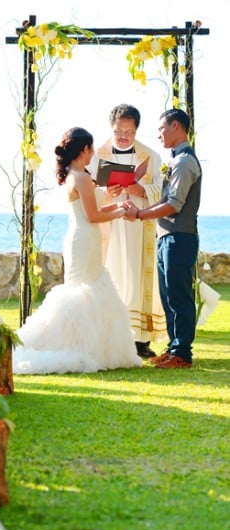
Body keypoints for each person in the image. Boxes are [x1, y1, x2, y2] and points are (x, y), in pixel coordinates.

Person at [13, 127, 143, 374]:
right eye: (91, 148)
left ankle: (96, 349)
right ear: (85, 150)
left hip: (83, 236)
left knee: (91, 286)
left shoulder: (79, 176)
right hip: (84, 238)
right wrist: (122, 212)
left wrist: (115, 204)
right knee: (81, 289)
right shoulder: (81, 177)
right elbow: (93, 216)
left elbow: (92, 212)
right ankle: (71, 346)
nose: (93, 153)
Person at [123, 108, 202, 369]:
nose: (158, 135)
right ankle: (173, 348)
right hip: (167, 236)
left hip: (180, 237)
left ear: (176, 126)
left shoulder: (185, 162)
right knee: (168, 295)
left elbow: (174, 204)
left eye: (161, 129)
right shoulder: (176, 160)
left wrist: (139, 214)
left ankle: (182, 353)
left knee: (179, 295)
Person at [89, 104, 166, 358]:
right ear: (111, 128)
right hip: (107, 227)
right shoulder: (95, 157)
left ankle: (140, 341)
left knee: (135, 277)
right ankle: (106, 337)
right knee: (108, 275)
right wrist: (105, 193)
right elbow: (84, 193)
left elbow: (163, 192)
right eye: (118, 131)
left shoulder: (151, 158)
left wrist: (142, 191)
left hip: (137, 228)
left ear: (136, 130)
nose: (123, 136)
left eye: (129, 132)